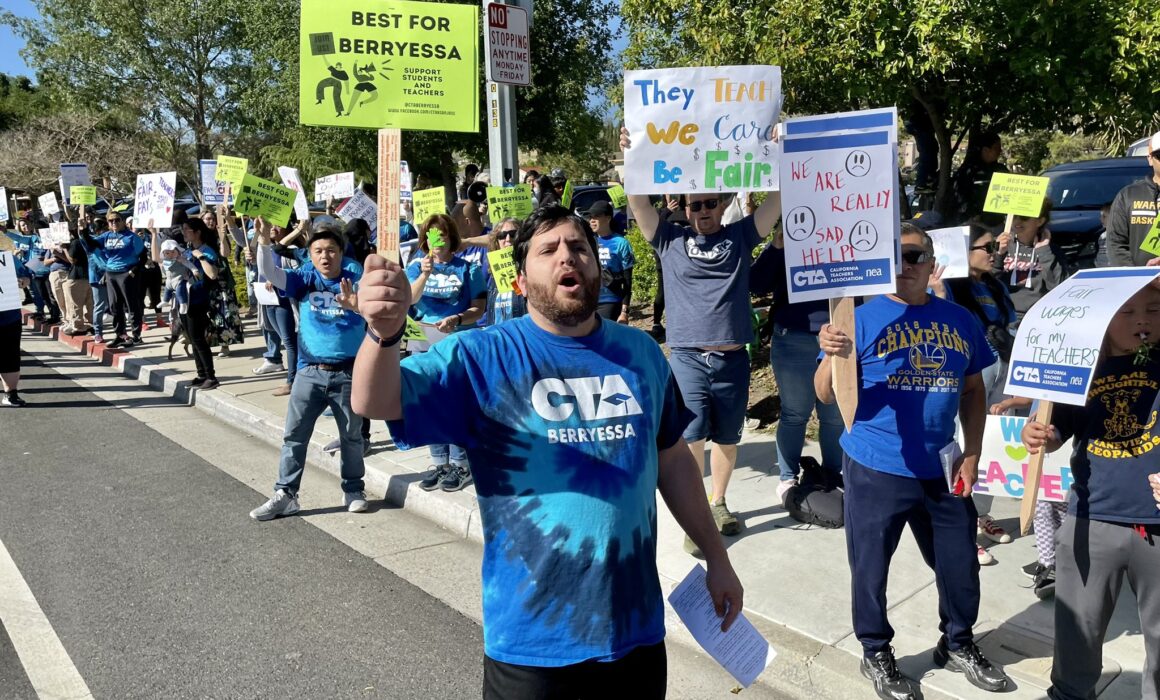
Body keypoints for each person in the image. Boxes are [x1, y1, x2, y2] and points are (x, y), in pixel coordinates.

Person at [351, 205, 744, 698]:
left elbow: (673, 462)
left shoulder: (641, 354)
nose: (568, 258)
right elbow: (374, 400)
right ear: (519, 281)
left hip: (635, 633)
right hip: (532, 645)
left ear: (596, 268)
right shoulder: (481, 356)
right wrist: (382, 334)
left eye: (579, 248)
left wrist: (717, 558)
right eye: (549, 250)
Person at [815, 224, 1010, 699]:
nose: (904, 265)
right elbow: (824, 393)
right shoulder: (857, 319)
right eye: (893, 257)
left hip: (942, 466)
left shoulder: (959, 318)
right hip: (876, 465)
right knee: (871, 568)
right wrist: (829, 355)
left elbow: (973, 387)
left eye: (913, 255)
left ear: (932, 263)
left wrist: (974, 450)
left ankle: (959, 642)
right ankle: (875, 650)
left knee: (960, 563)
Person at [622, 126, 782, 545]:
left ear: (723, 202)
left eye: (711, 203)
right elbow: (637, 202)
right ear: (684, 207)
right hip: (688, 357)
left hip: (732, 358)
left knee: (728, 437)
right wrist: (634, 157)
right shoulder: (668, 239)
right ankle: (696, 515)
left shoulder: (740, 235)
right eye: (696, 205)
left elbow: (777, 202)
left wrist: (778, 152)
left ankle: (718, 502)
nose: (704, 211)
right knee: (691, 437)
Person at [1022, 282, 1160, 700]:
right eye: (1127, 312)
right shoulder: (1080, 367)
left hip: (1155, 525)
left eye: (1153, 310)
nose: (1141, 320)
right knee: (1078, 627)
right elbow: (1055, 427)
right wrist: (1039, 434)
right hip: (1091, 517)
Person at [249, 220, 369, 520]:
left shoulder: (357, 274)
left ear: (342, 252)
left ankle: (353, 489)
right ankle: (286, 494)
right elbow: (273, 274)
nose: (325, 256)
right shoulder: (306, 276)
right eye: (318, 251)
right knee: (294, 435)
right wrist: (263, 243)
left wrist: (356, 305)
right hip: (309, 372)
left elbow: (381, 309)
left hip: (349, 372)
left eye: (331, 250)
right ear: (310, 254)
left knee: (351, 437)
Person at [930, 225, 1018, 564]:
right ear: (965, 253)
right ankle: (962, 527)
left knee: (994, 443)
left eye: (995, 245)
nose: (994, 251)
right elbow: (944, 323)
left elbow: (1009, 321)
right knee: (964, 443)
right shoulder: (952, 287)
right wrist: (938, 291)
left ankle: (982, 515)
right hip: (973, 370)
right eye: (986, 246)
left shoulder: (995, 285)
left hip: (1003, 367)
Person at [748, 235, 844, 500]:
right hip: (793, 338)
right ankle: (787, 479)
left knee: (835, 415)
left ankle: (833, 475)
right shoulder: (791, 238)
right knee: (794, 412)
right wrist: (778, 245)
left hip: (840, 337)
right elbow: (755, 283)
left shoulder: (848, 232)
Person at [407, 214, 486, 492]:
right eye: (431, 234)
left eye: (442, 234)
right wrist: (425, 272)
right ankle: (439, 462)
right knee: (429, 403)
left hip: (455, 343)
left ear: (451, 238)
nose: (437, 240)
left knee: (454, 404)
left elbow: (479, 307)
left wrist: (458, 318)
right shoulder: (416, 267)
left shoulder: (468, 269)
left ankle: (460, 464)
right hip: (422, 344)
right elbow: (410, 300)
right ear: (425, 238)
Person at [994, 197, 1069, 320]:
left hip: (1037, 317)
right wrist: (999, 255)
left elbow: (1059, 288)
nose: (1017, 221)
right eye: (1014, 216)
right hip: (1004, 315)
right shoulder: (1000, 245)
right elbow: (985, 284)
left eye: (1024, 217)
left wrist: (1044, 252)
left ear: (1040, 221)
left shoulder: (1051, 251)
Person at [82, 211, 144, 347]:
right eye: (111, 221)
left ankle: (136, 335)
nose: (114, 223)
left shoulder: (132, 237)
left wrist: (133, 271)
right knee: (114, 306)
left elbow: (143, 256)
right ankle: (120, 334)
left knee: (131, 305)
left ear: (122, 221)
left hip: (126, 273)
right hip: (111, 273)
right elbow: (91, 245)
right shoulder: (106, 236)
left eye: (117, 220)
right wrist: (84, 230)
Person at [1106, 131, 1160, 267]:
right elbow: (1116, 244)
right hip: (1141, 286)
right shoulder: (1128, 196)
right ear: (1149, 158)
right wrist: (1138, 279)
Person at [180, 219, 222, 389]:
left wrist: (201, 257)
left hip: (199, 300)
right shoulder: (189, 250)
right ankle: (201, 374)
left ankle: (211, 376)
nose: (183, 232)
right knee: (192, 338)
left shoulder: (206, 250)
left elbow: (212, 274)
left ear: (197, 232)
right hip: (187, 299)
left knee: (198, 339)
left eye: (186, 229)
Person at [586, 201, 634, 323]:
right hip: (588, 300)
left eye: (596, 217)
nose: (592, 220)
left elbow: (628, 280)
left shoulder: (621, 243)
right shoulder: (586, 242)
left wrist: (624, 312)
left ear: (608, 218)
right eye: (590, 217)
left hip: (610, 300)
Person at [954, 130, 1008, 225]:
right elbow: (960, 196)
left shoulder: (1001, 169)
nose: (1000, 151)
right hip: (974, 222)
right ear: (985, 149)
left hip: (997, 223)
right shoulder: (968, 170)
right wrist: (973, 214)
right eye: (996, 148)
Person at [1, 255, 32, 406]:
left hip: (9, 316)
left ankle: (10, 394)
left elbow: (25, 277)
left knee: (10, 356)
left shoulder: (7, 258)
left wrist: (23, 281)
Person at [485, 218, 527, 325]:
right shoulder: (494, 273)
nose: (508, 239)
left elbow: (521, 294)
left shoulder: (529, 269)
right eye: (502, 235)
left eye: (513, 234)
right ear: (497, 241)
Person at [61, 226, 93, 336]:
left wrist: (64, 248)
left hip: (77, 277)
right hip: (89, 275)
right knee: (90, 304)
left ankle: (79, 327)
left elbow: (72, 259)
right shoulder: (87, 241)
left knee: (75, 304)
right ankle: (90, 325)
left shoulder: (75, 243)